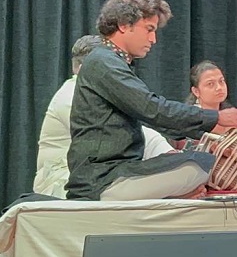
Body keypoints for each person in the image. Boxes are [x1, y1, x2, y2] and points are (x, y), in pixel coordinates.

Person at [66, 0, 237, 201]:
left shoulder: (109, 61)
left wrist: (205, 134)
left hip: (112, 173)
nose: (153, 39)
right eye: (148, 29)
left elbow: (155, 117)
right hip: (101, 180)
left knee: (197, 162)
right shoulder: (103, 62)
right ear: (123, 25)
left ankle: (174, 194)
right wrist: (217, 117)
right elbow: (151, 108)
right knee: (199, 165)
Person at [34, 35, 174, 198]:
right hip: (63, 184)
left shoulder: (97, 92)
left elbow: (136, 131)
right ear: (84, 68)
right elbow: (124, 132)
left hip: (93, 177)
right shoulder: (70, 96)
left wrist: (169, 154)